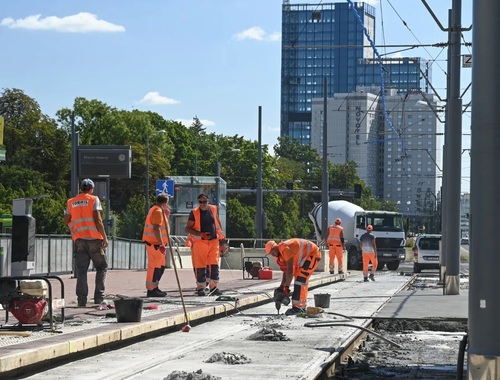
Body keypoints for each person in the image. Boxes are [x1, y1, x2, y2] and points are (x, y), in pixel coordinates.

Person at [64, 179, 109, 307]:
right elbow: (98, 220)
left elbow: (66, 220)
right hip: (94, 239)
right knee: (102, 267)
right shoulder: (94, 199)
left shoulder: (71, 202)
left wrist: (76, 229)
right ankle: (99, 298)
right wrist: (104, 237)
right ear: (91, 189)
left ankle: (81, 300)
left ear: (81, 188)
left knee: (82, 270)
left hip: (79, 240)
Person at [265, 238, 321, 316]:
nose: (272, 254)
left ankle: (298, 308)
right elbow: (285, 271)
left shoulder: (285, 249)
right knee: (300, 279)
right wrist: (281, 287)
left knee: (301, 279)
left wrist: (286, 288)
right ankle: (301, 306)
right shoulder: (279, 256)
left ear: (275, 247)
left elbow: (290, 271)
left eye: (272, 252)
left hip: (313, 254)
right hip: (305, 257)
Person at [185, 193, 225, 296]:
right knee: (200, 266)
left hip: (213, 241)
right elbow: (188, 228)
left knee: (214, 264)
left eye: (204, 202)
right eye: (200, 202)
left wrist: (222, 239)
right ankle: (201, 288)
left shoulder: (213, 209)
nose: (202, 204)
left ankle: (213, 287)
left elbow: (217, 222)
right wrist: (200, 234)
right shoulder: (194, 212)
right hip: (200, 242)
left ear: (208, 201)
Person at [142, 194, 171, 297]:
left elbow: (161, 226)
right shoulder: (158, 211)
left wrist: (166, 216)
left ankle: (155, 286)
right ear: (165, 203)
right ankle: (151, 289)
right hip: (155, 244)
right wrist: (161, 244)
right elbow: (156, 228)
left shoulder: (156, 210)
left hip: (156, 244)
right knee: (155, 267)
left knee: (160, 267)